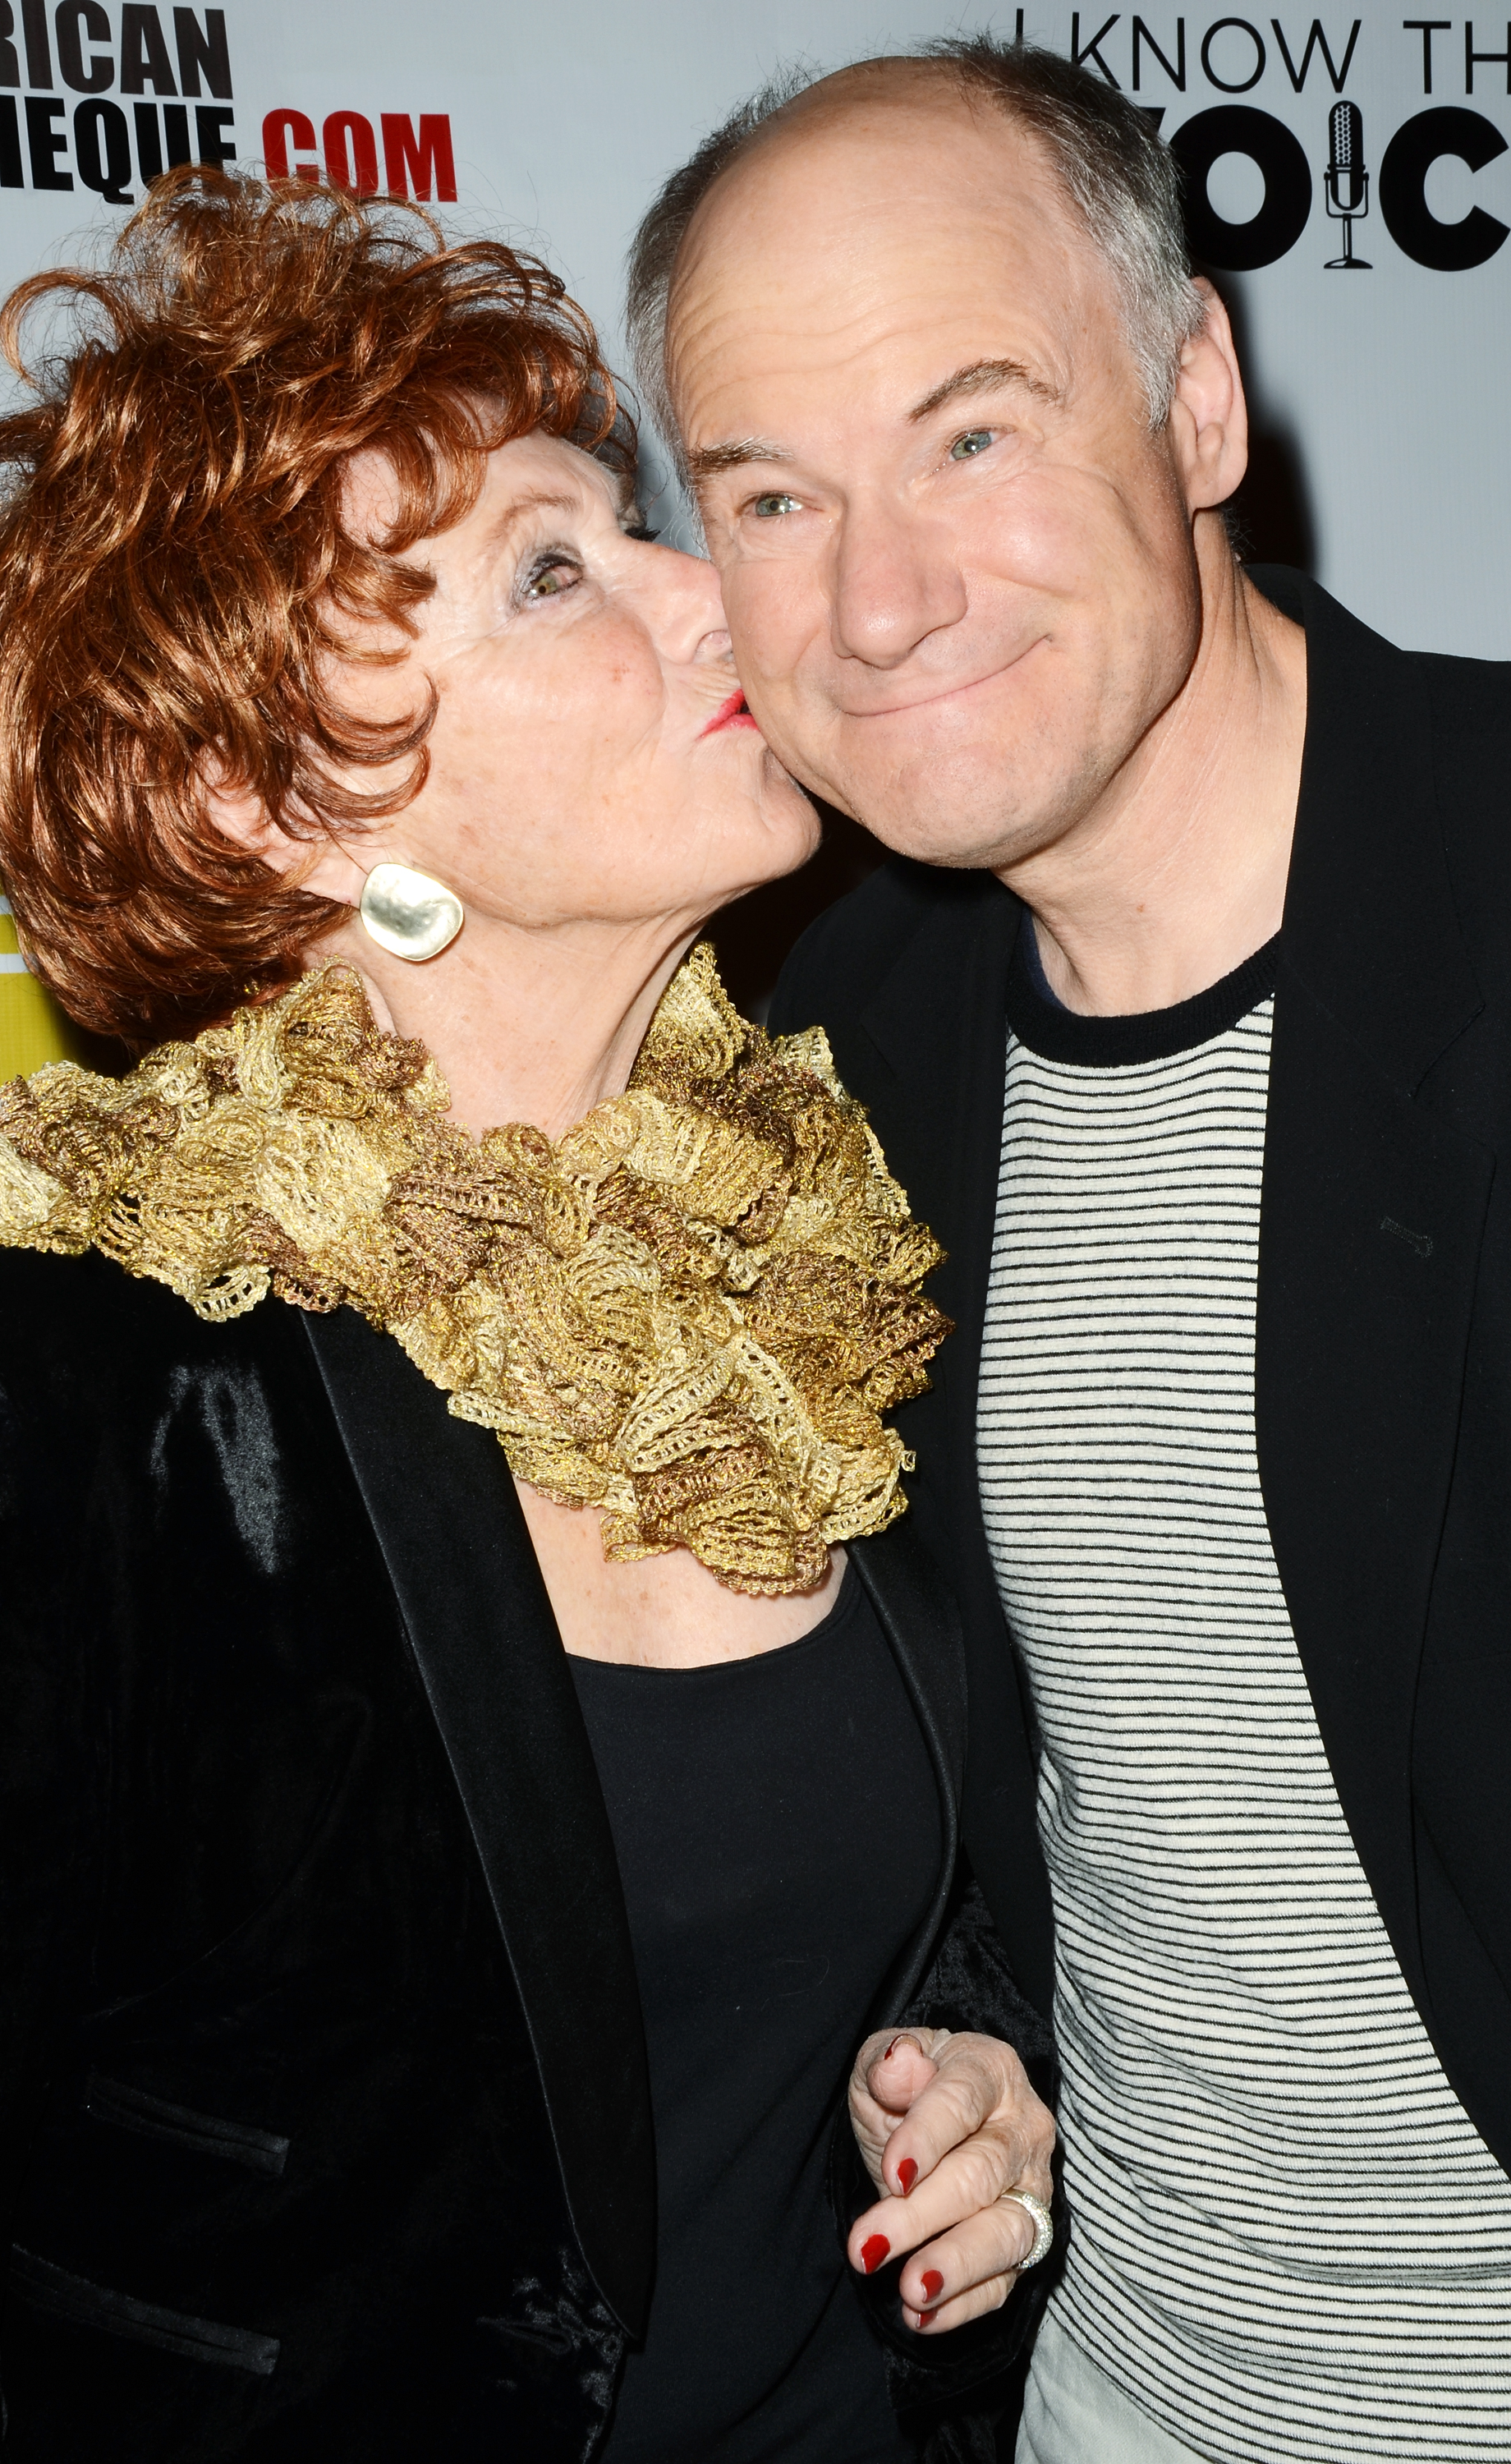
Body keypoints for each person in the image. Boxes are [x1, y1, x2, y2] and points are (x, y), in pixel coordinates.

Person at [628, 32, 1511, 2464]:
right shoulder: (826, 1043)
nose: (876, 600)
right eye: (770, 494)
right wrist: (981, 2041)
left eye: (971, 434)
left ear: (1193, 400)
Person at [0, 168, 1059, 2464]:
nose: (716, 595)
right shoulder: (106, 1387)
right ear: (272, 801)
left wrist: (968, 2063)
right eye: (556, 569)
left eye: (643, 523)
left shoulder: (815, 1245)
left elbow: (887, 1884)